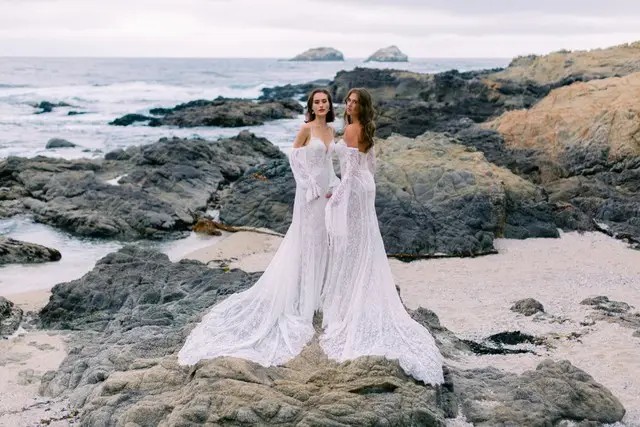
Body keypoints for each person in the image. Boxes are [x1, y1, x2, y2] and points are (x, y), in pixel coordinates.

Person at [178, 89, 338, 367]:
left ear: (329, 105)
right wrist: (309, 184)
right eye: (317, 102)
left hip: (325, 192)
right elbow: (293, 158)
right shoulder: (306, 128)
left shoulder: (332, 130)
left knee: (321, 240)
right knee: (305, 240)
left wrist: (333, 185)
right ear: (311, 107)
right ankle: (299, 300)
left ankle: (315, 297)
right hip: (308, 194)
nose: (321, 105)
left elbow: (328, 162)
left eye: (325, 101)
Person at [321, 88, 444, 384]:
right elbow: (370, 167)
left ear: (362, 107)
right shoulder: (365, 130)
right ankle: (361, 294)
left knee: (354, 244)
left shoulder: (351, 129)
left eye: (354, 102)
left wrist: (335, 196)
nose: (349, 105)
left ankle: (352, 302)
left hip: (354, 189)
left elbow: (349, 173)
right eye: (347, 101)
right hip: (366, 188)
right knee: (365, 243)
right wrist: (361, 189)